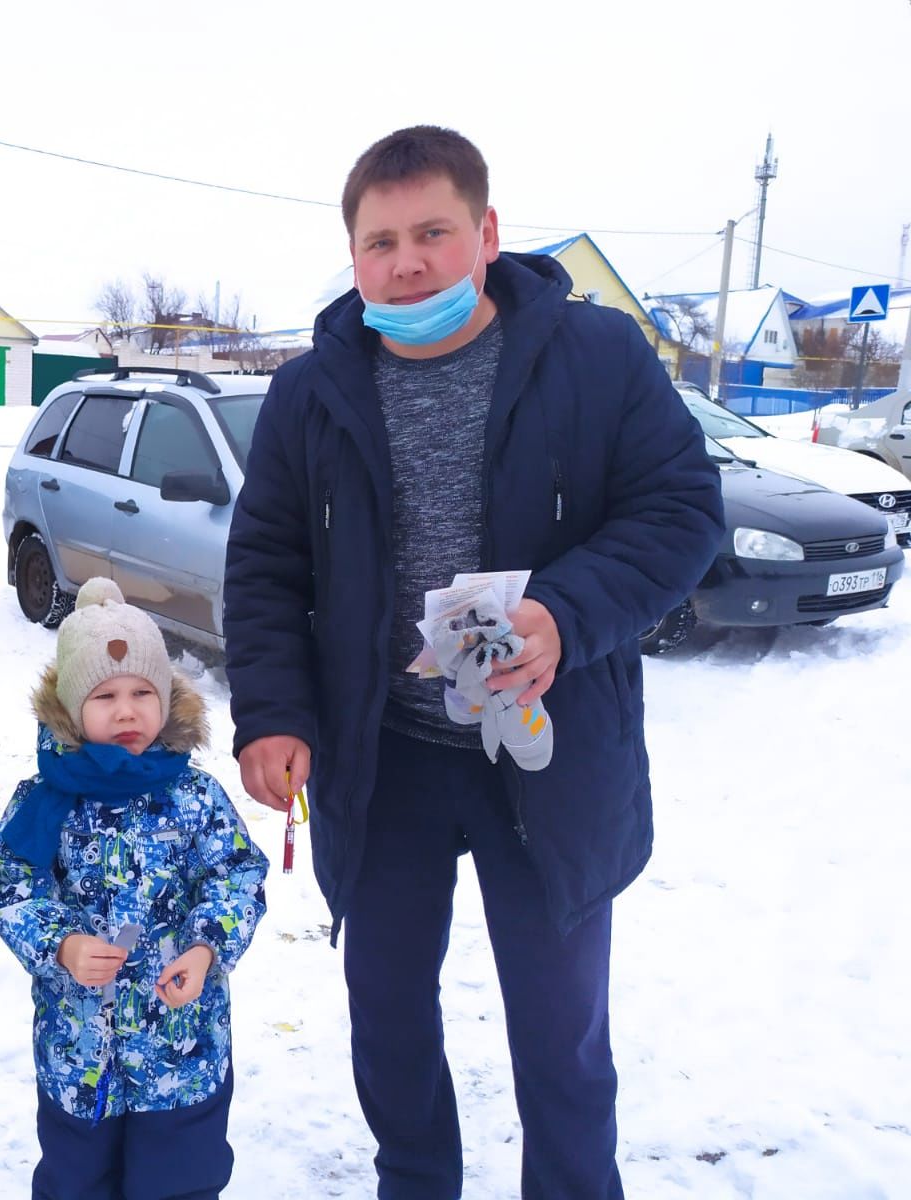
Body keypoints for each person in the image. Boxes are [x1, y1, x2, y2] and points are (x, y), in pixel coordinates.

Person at [222, 126, 724, 1198]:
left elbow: (680, 512)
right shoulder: (310, 392)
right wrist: (273, 711)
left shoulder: (596, 358)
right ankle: (415, 1180)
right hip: (383, 757)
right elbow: (265, 567)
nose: (407, 262)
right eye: (380, 241)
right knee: (388, 1014)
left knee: (560, 1031)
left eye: (433, 233)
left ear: (486, 233)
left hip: (550, 751)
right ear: (353, 256)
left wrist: (562, 613)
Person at [0, 578, 268, 1200]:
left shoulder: (195, 797)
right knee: (77, 1184)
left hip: (182, 1053)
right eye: (105, 695)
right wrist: (62, 945)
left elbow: (237, 874)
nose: (127, 710)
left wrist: (205, 949)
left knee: (180, 1183)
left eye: (143, 692)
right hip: (78, 1056)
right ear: (68, 707)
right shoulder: (45, 804)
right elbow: (12, 886)